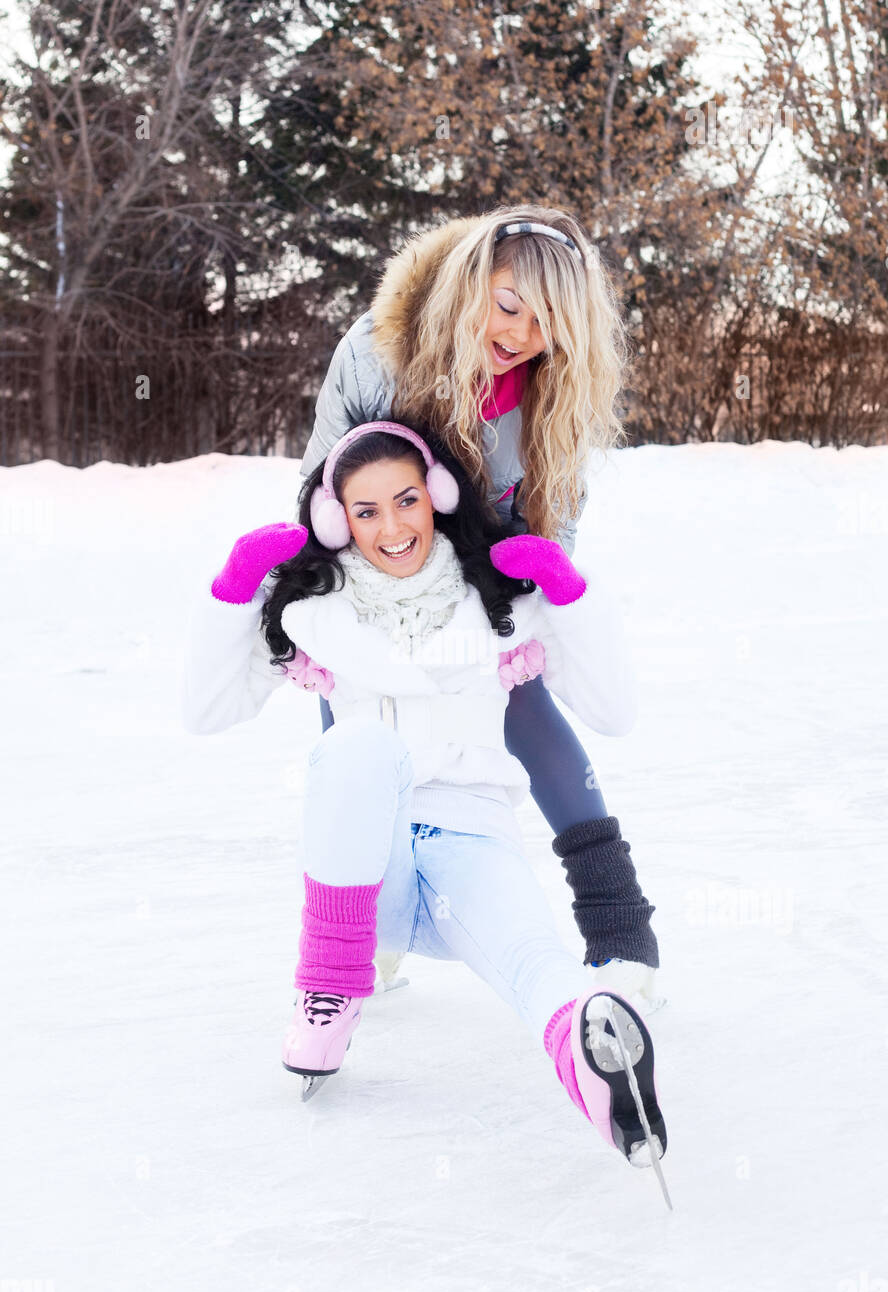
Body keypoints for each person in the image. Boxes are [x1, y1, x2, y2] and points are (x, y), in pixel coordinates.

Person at [182, 422, 667, 1169]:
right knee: (357, 746)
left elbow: (614, 711)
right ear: (336, 519)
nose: (392, 526)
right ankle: (331, 989)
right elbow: (206, 712)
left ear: (437, 496)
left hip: (472, 845)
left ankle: (597, 1065)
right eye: (366, 510)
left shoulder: (498, 598)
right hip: (365, 876)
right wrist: (234, 590)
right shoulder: (314, 609)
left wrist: (568, 593)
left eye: (407, 500)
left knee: (539, 962)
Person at [291, 204, 659, 996]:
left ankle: (621, 926)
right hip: (375, 566)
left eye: (548, 320)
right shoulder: (374, 352)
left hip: (483, 584)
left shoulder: (548, 395)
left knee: (525, 708)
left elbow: (553, 525)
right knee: (356, 725)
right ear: (472, 282)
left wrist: (527, 616)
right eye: (508, 304)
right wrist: (325, 600)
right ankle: (355, 931)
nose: (522, 332)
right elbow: (320, 482)